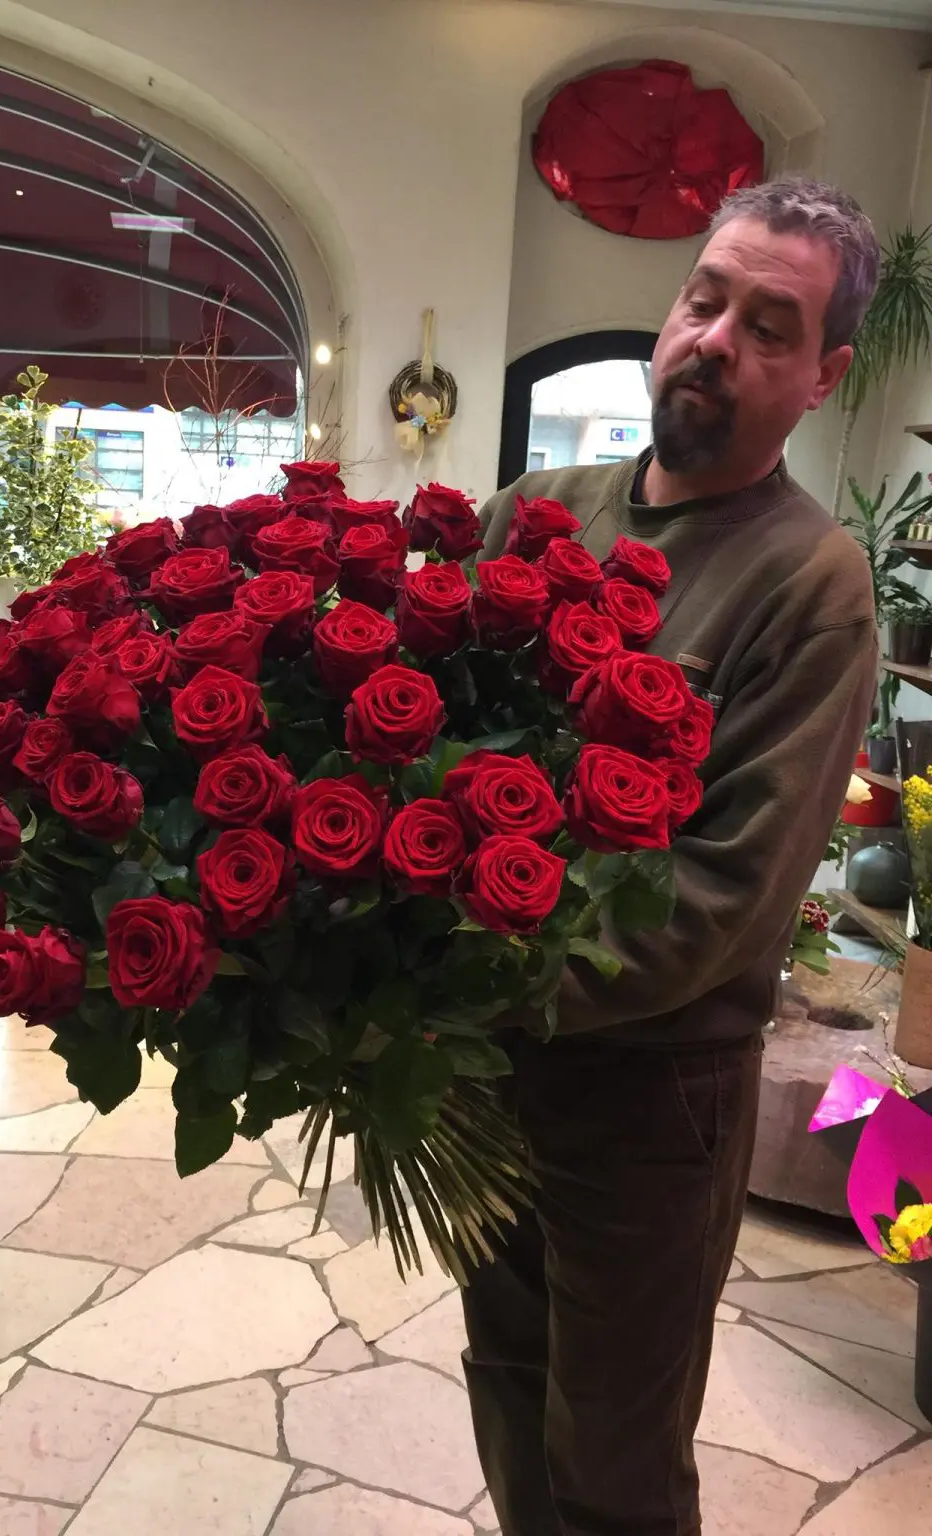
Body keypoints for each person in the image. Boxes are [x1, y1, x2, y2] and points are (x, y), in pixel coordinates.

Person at [461, 178, 880, 1536]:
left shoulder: (810, 583)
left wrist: (447, 974)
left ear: (825, 375)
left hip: (649, 1101)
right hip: (488, 1070)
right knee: (506, 1376)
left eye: (772, 325)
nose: (716, 338)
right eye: (706, 298)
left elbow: (722, 899)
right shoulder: (537, 508)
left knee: (618, 1465)